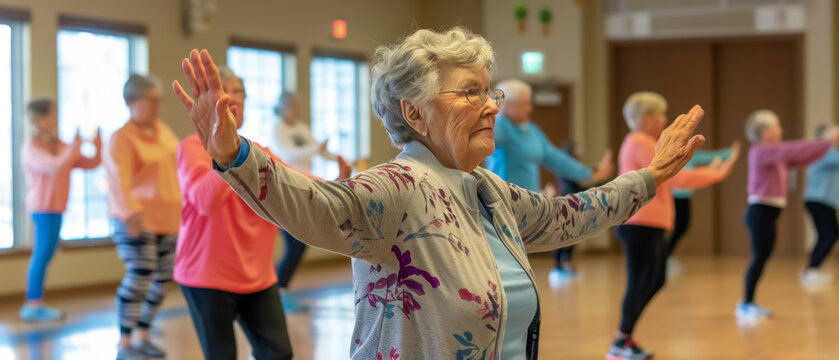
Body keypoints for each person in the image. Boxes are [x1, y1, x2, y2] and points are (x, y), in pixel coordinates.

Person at [172, 27, 709, 360]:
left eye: (489, 89)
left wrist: (650, 176)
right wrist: (232, 153)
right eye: (471, 92)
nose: (491, 104)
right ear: (414, 113)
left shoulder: (488, 190)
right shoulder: (396, 187)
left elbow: (571, 215)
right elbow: (315, 204)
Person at [176, 66, 350, 360]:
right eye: (223, 91)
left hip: (256, 276)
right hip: (204, 276)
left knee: (278, 354)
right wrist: (222, 153)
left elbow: (299, 183)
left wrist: (337, 186)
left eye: (237, 91)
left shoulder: (257, 152)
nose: (231, 99)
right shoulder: (191, 147)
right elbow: (205, 202)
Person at [612, 91, 738, 360]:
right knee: (640, 281)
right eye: (660, 114)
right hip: (639, 224)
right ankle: (621, 342)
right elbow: (674, 177)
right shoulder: (639, 141)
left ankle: (625, 338)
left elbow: (675, 171)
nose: (665, 119)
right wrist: (716, 173)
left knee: (655, 279)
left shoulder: (647, 142)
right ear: (645, 118)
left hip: (651, 224)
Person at [105, 75, 182, 360]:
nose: (156, 106)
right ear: (131, 102)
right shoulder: (121, 138)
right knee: (140, 274)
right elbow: (119, 180)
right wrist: (130, 213)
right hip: (136, 217)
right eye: (150, 100)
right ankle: (124, 343)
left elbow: (178, 168)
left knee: (162, 279)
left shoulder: (163, 132)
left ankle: (142, 335)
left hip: (169, 217)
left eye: (158, 100)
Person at [739, 110, 838, 320]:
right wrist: (827, 141)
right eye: (777, 126)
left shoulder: (774, 154)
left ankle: (749, 302)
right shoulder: (762, 151)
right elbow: (794, 149)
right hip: (760, 212)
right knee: (758, 258)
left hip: (768, 213)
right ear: (765, 131)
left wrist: (825, 146)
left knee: (762, 257)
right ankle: (746, 303)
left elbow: (802, 155)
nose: (780, 129)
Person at [20, 97, 101, 322]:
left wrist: (98, 145)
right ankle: (32, 304)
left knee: (46, 253)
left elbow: (90, 163)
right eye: (51, 113)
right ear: (39, 119)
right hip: (42, 208)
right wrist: (74, 147)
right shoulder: (32, 147)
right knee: (42, 254)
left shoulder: (60, 145)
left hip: (57, 208)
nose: (55, 118)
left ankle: (34, 302)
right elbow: (53, 166)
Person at [269, 92, 342, 313]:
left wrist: (339, 159)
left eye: (297, 106)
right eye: (291, 106)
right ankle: (276, 291)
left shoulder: (301, 127)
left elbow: (319, 150)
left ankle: (277, 290)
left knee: (300, 244)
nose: (296, 110)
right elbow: (288, 154)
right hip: (286, 191)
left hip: (306, 189)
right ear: (282, 108)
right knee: (294, 244)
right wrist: (317, 148)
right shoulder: (277, 129)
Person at [486, 79, 613, 194]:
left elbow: (556, 158)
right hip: (504, 201)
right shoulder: (499, 126)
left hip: (529, 202)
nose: (530, 109)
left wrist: (590, 173)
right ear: (508, 104)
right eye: (525, 104)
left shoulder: (532, 130)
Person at [667, 142, 739, 275]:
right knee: (677, 227)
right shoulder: (672, 155)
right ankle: (665, 257)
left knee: (682, 227)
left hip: (684, 197)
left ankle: (666, 256)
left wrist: (730, 152)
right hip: (673, 197)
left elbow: (711, 156)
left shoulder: (692, 155)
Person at [801, 124, 839, 286]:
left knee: (829, 235)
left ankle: (811, 269)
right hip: (818, 200)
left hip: (824, 201)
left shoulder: (830, 152)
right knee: (828, 235)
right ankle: (810, 270)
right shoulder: (823, 152)